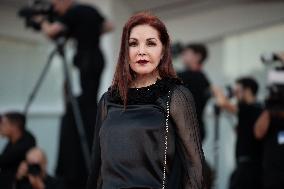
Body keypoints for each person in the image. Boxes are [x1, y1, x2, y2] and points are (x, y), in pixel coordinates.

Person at [86, 12, 206, 189]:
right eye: (133, 44)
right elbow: (97, 168)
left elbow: (194, 166)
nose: (141, 51)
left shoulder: (175, 95)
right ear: (125, 51)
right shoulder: (108, 99)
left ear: (163, 49)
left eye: (150, 43)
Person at [33, 0, 113, 188]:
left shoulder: (73, 12)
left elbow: (52, 32)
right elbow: (109, 26)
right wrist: (87, 32)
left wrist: (41, 21)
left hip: (85, 60)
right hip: (97, 58)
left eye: (55, 4)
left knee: (83, 103)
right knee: (88, 99)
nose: (55, 8)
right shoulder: (89, 10)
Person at [215, 77, 263, 189]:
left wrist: (218, 91)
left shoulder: (249, 108)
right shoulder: (258, 108)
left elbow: (222, 103)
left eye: (238, 90)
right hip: (252, 165)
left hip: (248, 166)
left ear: (248, 90)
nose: (235, 94)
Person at [178, 44, 211, 142]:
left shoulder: (196, 77)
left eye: (186, 53)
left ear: (198, 56)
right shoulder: (203, 78)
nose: (183, 56)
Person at [0, 112, 36, 189]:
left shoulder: (23, 147)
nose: (0, 127)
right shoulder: (16, 138)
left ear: (14, 127)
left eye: (3, 124)